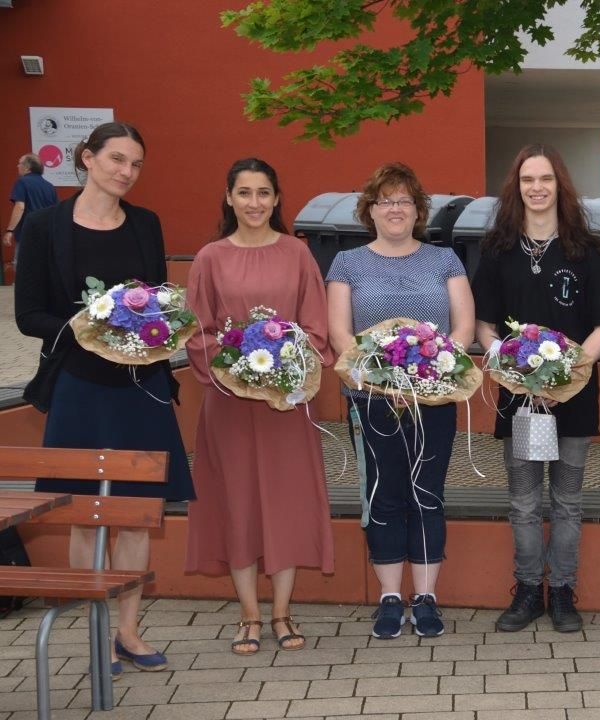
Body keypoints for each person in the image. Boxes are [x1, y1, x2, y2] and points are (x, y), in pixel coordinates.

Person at [15, 122, 194, 675]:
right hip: (80, 385)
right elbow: (28, 317)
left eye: (136, 164)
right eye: (116, 159)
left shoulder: (145, 223)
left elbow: (157, 304)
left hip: (140, 386)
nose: (126, 172)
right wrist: (90, 325)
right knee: (85, 514)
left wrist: (148, 328)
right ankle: (94, 631)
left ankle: (127, 632)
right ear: (86, 159)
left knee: (136, 515)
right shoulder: (46, 226)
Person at [184, 158, 335, 655]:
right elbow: (198, 330)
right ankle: (249, 614)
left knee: (286, 501)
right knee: (239, 502)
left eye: (264, 192)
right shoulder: (209, 257)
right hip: (228, 404)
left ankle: (282, 612)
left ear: (276, 198)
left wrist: (282, 369)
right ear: (228, 197)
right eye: (244, 193)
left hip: (285, 405)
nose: (254, 203)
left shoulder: (298, 255)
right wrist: (236, 369)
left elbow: (315, 328)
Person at [472, 144, 600, 633]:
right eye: (528, 179)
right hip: (519, 401)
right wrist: (513, 372)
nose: (537, 188)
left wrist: (568, 375)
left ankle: (563, 594)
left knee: (568, 502)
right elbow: (485, 326)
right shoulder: (497, 250)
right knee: (524, 502)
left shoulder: (586, 250)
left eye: (546, 179)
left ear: (560, 186)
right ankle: (529, 590)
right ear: (516, 187)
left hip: (573, 398)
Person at [327, 163, 475, 639]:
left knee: (427, 493)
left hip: (434, 399)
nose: (395, 209)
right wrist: (376, 381)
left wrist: (434, 374)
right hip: (370, 399)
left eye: (404, 201)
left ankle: (427, 597)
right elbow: (339, 334)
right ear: (370, 210)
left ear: (417, 211)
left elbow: (464, 330)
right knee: (384, 494)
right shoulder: (347, 262)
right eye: (385, 200)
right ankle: (391, 597)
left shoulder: (445, 260)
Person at [6, 153, 58, 263]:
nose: (17, 166)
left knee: (22, 268)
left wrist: (10, 230)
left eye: (19, 163)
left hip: (28, 233)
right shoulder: (49, 186)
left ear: (27, 167)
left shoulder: (22, 182)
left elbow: (20, 206)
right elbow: (56, 211)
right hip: (46, 235)